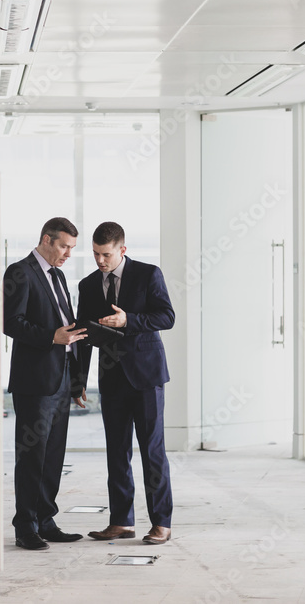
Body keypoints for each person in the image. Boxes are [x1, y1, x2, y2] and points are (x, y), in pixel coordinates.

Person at [74, 221, 175, 545]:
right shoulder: (88, 285)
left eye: (105, 254)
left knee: (152, 451)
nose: (100, 260)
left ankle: (161, 522)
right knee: (116, 452)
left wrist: (129, 320)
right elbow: (83, 337)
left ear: (122, 250)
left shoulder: (149, 274)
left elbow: (166, 317)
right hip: (112, 379)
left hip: (146, 377)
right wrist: (79, 383)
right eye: (95, 254)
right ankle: (121, 521)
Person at [3, 217, 88, 550]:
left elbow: (68, 328)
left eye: (72, 248)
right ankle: (25, 526)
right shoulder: (20, 272)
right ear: (46, 240)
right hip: (35, 380)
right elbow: (11, 323)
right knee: (32, 456)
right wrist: (49, 337)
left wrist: (77, 379)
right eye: (64, 246)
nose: (68, 254)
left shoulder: (59, 275)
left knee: (53, 455)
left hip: (62, 376)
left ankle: (45, 519)